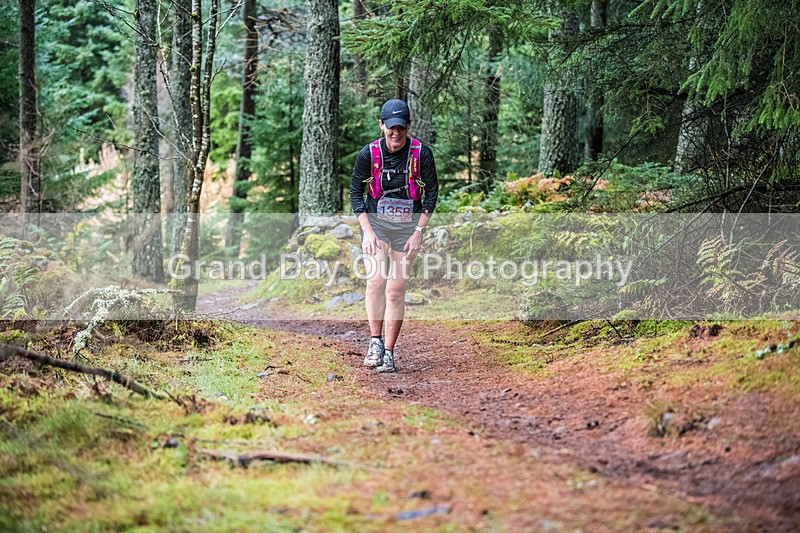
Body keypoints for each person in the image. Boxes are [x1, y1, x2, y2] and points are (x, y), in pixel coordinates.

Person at [349, 99, 439, 373]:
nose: (396, 133)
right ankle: (375, 341)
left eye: (401, 127)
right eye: (391, 127)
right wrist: (367, 231)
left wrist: (418, 232)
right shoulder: (369, 154)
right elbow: (355, 193)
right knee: (376, 280)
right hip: (376, 224)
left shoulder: (422, 154)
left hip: (407, 228)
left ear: (409, 126)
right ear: (381, 125)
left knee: (396, 290)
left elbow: (432, 193)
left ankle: (389, 352)